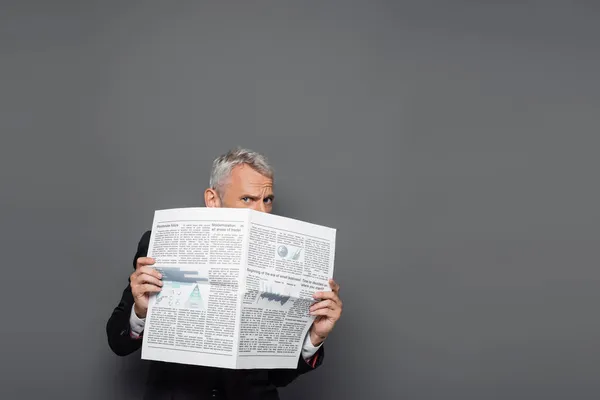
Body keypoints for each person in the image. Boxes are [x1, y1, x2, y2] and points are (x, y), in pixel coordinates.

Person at [106, 148, 343, 399]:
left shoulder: (287, 261)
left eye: (267, 199)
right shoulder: (161, 245)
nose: (262, 211)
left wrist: (313, 339)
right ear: (213, 200)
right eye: (247, 199)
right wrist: (140, 313)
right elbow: (118, 343)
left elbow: (279, 377)